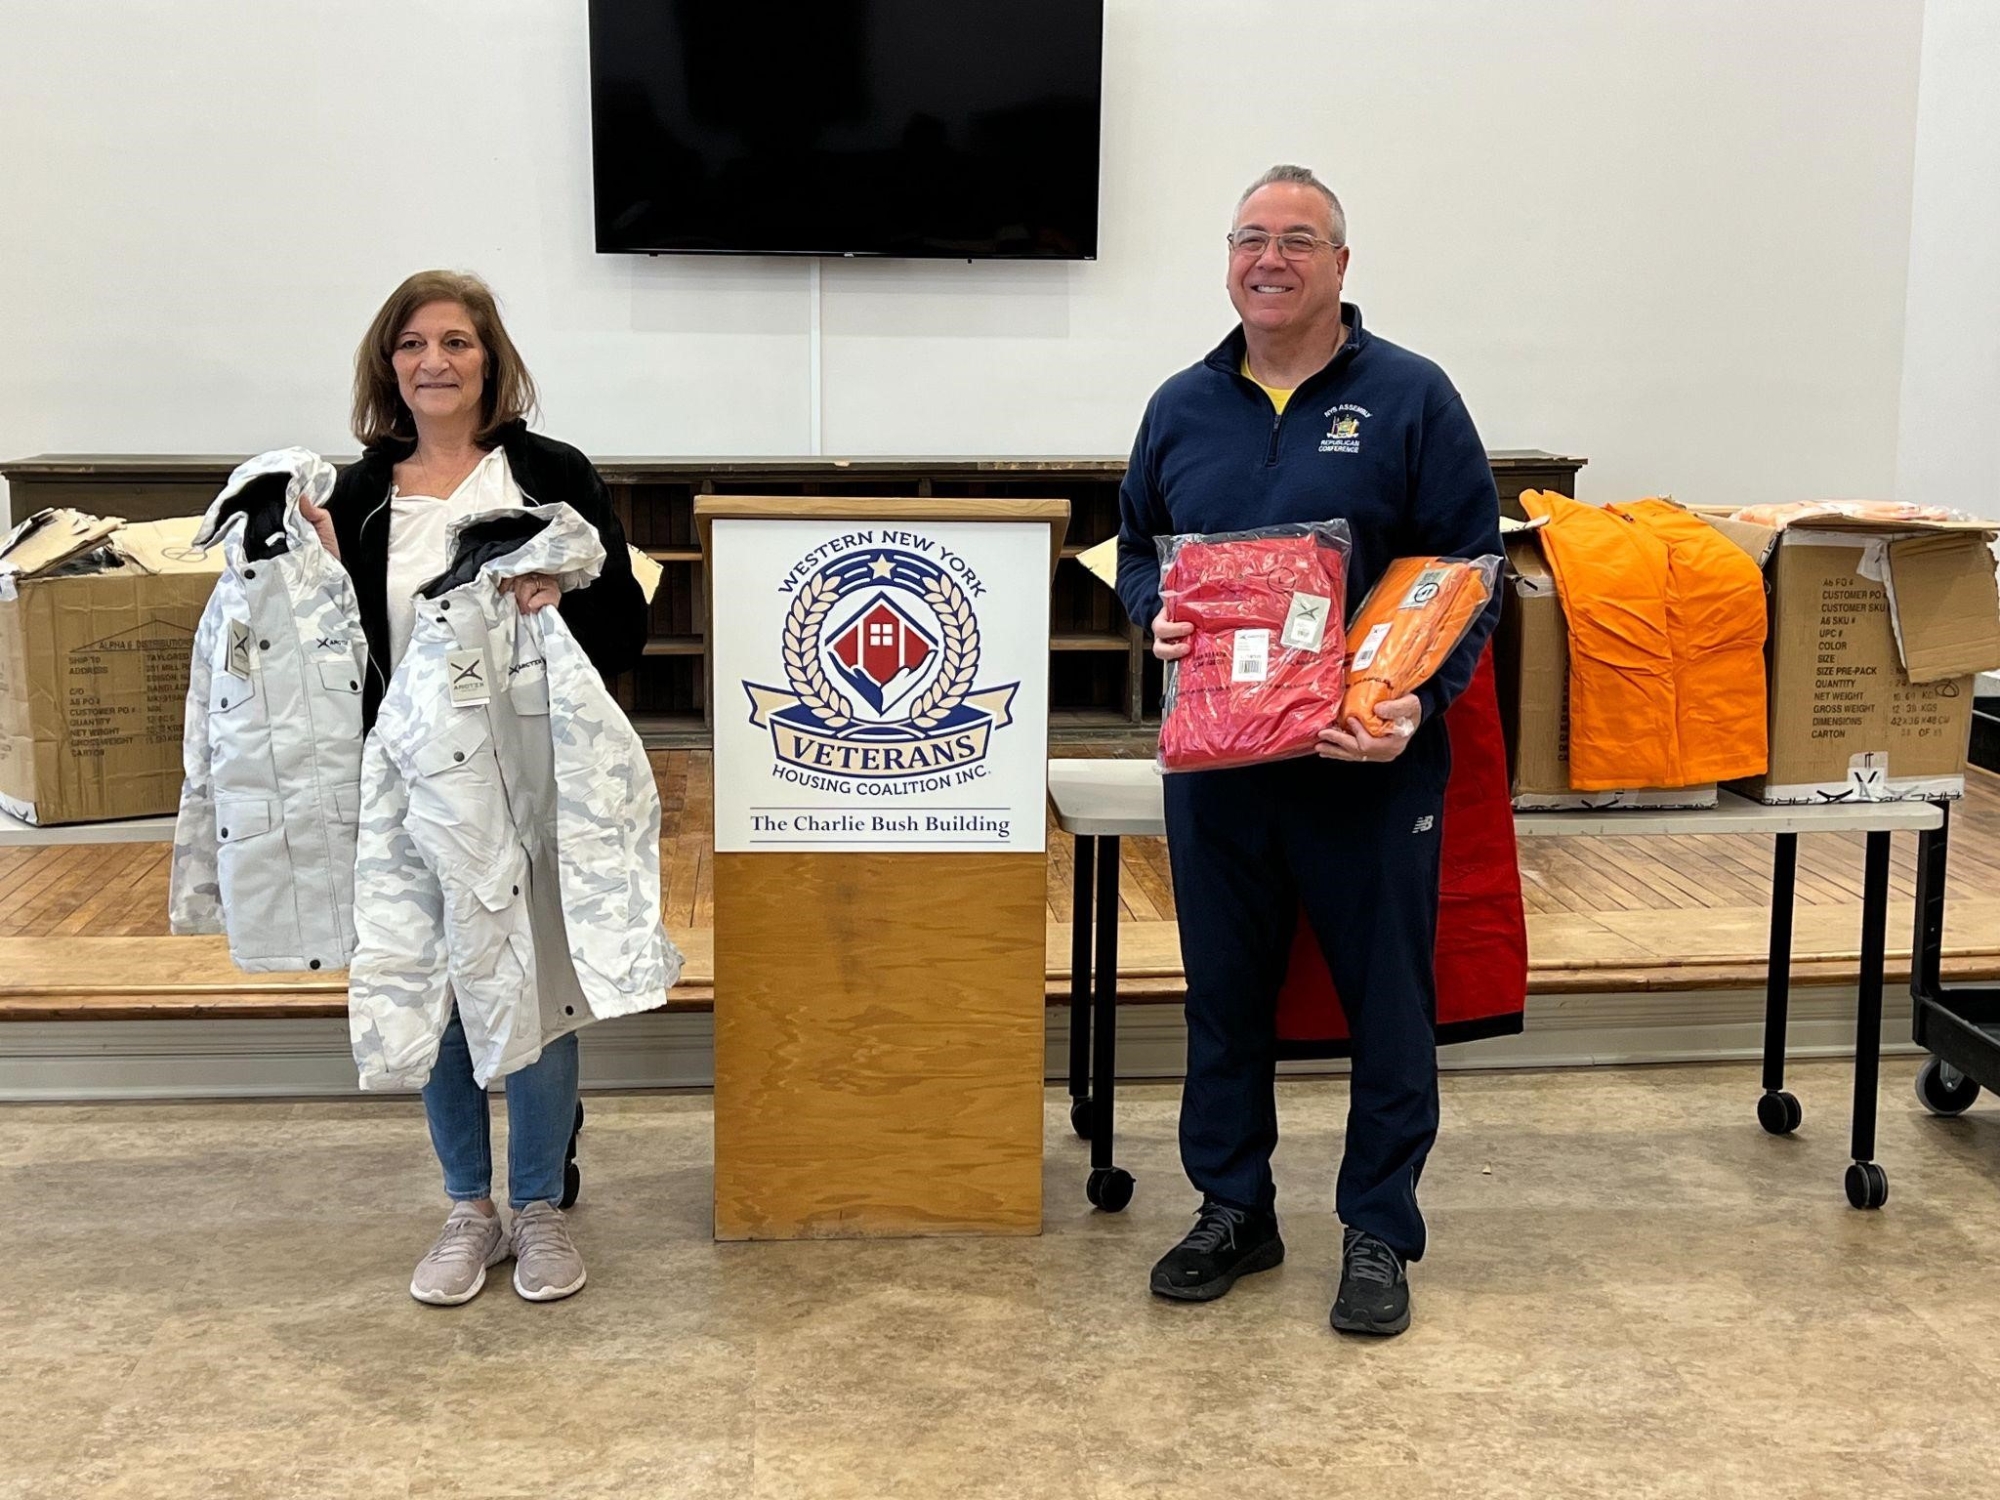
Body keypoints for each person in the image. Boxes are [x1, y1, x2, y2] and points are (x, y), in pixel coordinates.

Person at [1115, 166, 1504, 1336]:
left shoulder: (1410, 396)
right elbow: (1134, 548)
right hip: (1219, 770)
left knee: (1387, 1005)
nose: (1268, 259)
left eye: (1296, 239)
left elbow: (1468, 573)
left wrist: (1413, 708)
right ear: (1227, 260)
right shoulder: (1179, 405)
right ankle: (1233, 1210)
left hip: (1362, 767)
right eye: (1250, 238)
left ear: (1340, 264)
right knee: (1223, 1000)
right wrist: (1154, 610)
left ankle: (1378, 1230)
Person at [301, 270, 647, 1305]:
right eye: (413, 344)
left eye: (456, 342)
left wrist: (561, 592)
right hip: (409, 782)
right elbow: (333, 660)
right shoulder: (354, 496)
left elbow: (624, 626)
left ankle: (537, 1205)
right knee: (438, 984)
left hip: (530, 777)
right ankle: (468, 1207)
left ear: (489, 360)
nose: (434, 362)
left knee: (539, 989)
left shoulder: (548, 473)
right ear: (388, 364)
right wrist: (318, 581)